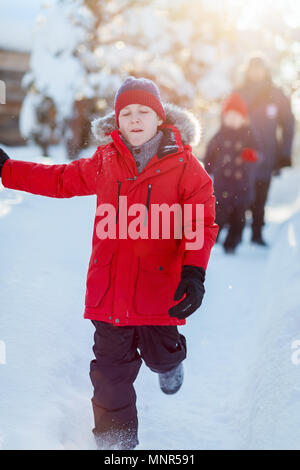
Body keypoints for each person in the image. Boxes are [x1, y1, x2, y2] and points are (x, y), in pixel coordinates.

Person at [0, 76, 218, 450]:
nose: (135, 119)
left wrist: (194, 273)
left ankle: (169, 364)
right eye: (126, 113)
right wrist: (8, 170)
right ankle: (116, 444)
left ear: (159, 117)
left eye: (143, 111)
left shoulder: (186, 167)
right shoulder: (104, 161)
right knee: (110, 375)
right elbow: (60, 180)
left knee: (160, 352)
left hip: (159, 292)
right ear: (117, 121)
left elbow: (199, 222)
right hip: (109, 294)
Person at [236, 53, 295, 246]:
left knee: (261, 195)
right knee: (239, 193)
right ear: (248, 71)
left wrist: (285, 154)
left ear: (265, 70)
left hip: (267, 154)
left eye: (260, 68)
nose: (256, 72)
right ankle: (233, 234)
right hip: (241, 154)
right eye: (253, 68)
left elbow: (288, 123)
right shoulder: (239, 93)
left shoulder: (276, 94)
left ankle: (256, 233)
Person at [204, 92, 260, 254]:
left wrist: (253, 156)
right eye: (229, 116)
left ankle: (232, 244)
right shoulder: (220, 135)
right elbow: (209, 155)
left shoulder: (249, 134)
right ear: (224, 117)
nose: (232, 120)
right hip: (222, 185)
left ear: (243, 118)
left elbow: (259, 153)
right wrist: (208, 168)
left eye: (236, 117)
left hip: (242, 185)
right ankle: (211, 241)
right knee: (217, 216)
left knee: (238, 218)